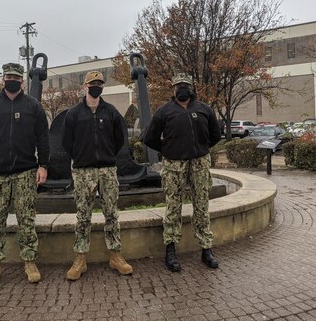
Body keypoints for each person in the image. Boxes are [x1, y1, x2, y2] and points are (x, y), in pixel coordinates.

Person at [0, 62, 49, 286]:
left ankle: (29, 261)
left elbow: (43, 138)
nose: (12, 80)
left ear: (22, 81)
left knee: (27, 220)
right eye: (8, 76)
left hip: (25, 173)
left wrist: (43, 165)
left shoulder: (33, 106)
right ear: (2, 79)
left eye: (16, 77)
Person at [142, 73, 221, 272]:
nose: (182, 89)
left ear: (191, 88)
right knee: (173, 206)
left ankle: (206, 248)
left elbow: (215, 135)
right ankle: (170, 249)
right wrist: (167, 149)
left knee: (201, 205)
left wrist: (201, 148)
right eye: (179, 86)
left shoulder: (204, 109)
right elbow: (149, 137)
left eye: (185, 86)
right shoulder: (164, 111)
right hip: (173, 165)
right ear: (174, 89)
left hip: (199, 164)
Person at [61, 70, 133, 280]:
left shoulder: (111, 112)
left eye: (100, 84)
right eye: (93, 83)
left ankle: (115, 255)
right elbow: (66, 142)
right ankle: (80, 258)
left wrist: (107, 154)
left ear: (103, 88)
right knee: (83, 215)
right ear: (85, 87)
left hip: (107, 170)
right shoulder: (73, 114)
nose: (96, 87)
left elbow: (120, 138)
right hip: (83, 171)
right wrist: (81, 156)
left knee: (111, 213)